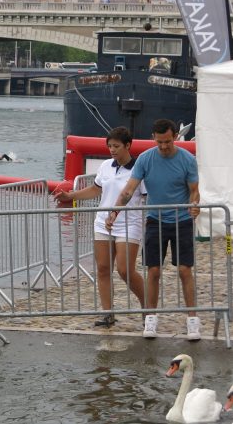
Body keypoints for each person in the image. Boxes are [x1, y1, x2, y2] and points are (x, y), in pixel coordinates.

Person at [106, 119, 200, 340]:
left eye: (167, 141)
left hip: (182, 220)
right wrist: (115, 212)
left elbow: (194, 190)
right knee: (153, 271)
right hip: (155, 220)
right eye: (159, 142)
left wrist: (195, 205)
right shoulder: (146, 159)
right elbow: (129, 190)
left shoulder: (188, 159)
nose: (164, 146)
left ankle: (192, 320)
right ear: (153, 138)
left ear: (175, 137)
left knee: (184, 271)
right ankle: (150, 318)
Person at [54, 127, 145, 328]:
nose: (112, 150)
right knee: (103, 269)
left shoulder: (139, 169)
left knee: (125, 270)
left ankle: (148, 308)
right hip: (103, 223)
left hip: (129, 224)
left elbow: (146, 197)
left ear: (128, 145)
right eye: (109, 146)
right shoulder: (105, 166)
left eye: (116, 146)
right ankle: (107, 313)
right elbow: (96, 189)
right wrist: (70, 196)